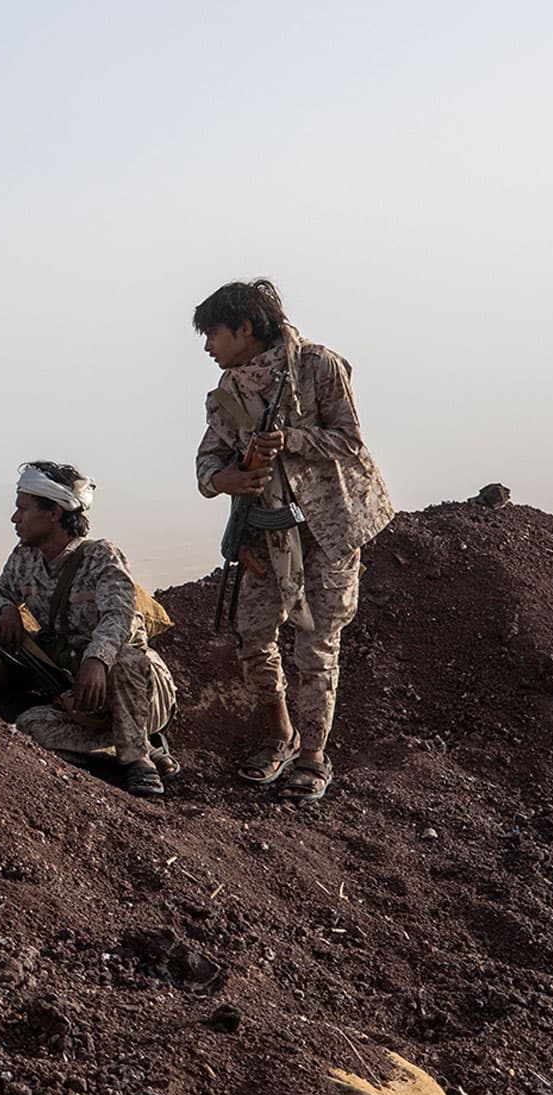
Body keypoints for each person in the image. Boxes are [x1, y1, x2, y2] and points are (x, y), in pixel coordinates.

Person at [195, 278, 394, 801]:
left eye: (214, 333)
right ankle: (280, 735)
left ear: (244, 327)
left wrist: (291, 442)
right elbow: (207, 462)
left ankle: (313, 756)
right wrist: (227, 481)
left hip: (328, 529)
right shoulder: (227, 396)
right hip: (264, 536)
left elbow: (349, 440)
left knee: (317, 643)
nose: (208, 346)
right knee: (253, 635)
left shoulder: (316, 366)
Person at [0, 462, 178, 796]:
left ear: (54, 512)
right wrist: (8, 609)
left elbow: (121, 615)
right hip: (82, 696)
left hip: (138, 688)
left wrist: (97, 659)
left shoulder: (101, 556)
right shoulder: (24, 558)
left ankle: (138, 760)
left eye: (23, 509)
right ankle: (125, 746)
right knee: (30, 727)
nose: (15, 518)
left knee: (129, 659)